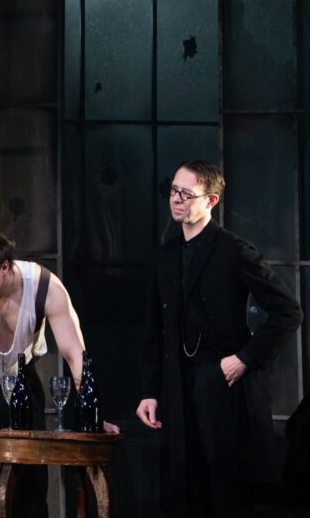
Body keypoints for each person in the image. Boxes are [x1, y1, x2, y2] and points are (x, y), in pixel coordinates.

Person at [137, 159, 303, 517]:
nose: (176, 199)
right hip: (177, 388)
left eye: (186, 194)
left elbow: (288, 312)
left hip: (223, 385)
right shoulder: (165, 256)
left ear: (211, 200)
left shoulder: (234, 250)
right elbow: (154, 330)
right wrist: (150, 391)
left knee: (226, 494)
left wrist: (245, 359)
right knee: (183, 493)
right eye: (173, 190)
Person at [0, 227, 119, 517]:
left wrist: (93, 413)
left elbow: (75, 353)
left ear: (4, 267)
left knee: (29, 486)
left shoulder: (44, 286)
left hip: (21, 382)